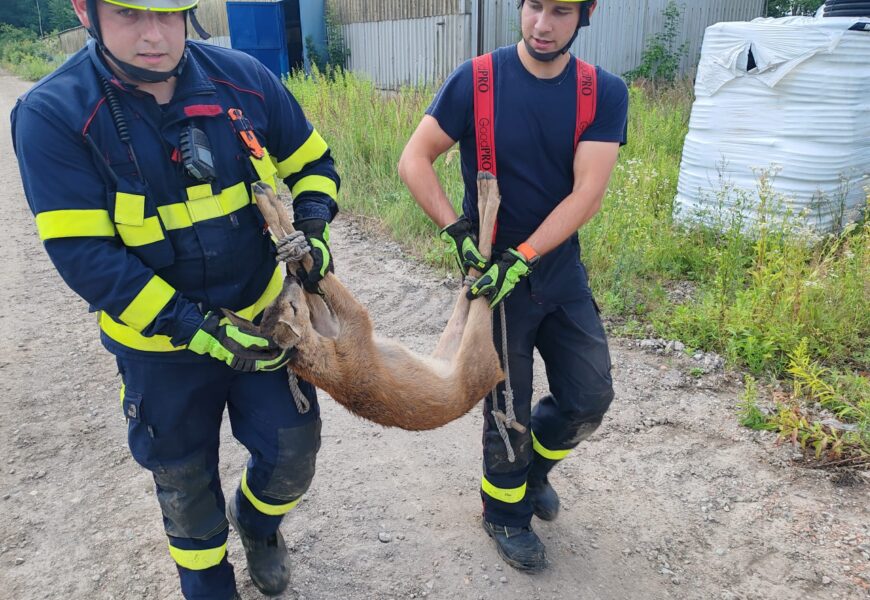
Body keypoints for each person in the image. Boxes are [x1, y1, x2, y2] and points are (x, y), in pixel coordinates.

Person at [11, 1, 340, 598]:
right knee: (185, 483)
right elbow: (88, 259)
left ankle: (259, 526)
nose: (156, 36)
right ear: (86, 11)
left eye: (171, 15)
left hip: (262, 322)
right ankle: (208, 583)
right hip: (158, 346)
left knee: (294, 452)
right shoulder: (53, 113)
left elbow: (313, 162)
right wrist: (195, 326)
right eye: (132, 15)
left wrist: (313, 225)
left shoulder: (243, 79)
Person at [398, 0, 627, 572]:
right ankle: (503, 513)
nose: (542, 25)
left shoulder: (602, 92)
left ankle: (535, 472)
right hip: (492, 277)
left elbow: (586, 194)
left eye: (560, 11)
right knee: (507, 403)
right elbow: (415, 158)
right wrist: (456, 229)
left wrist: (526, 256)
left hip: (555, 269)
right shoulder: (476, 80)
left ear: (586, 14)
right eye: (532, 7)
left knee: (590, 396)